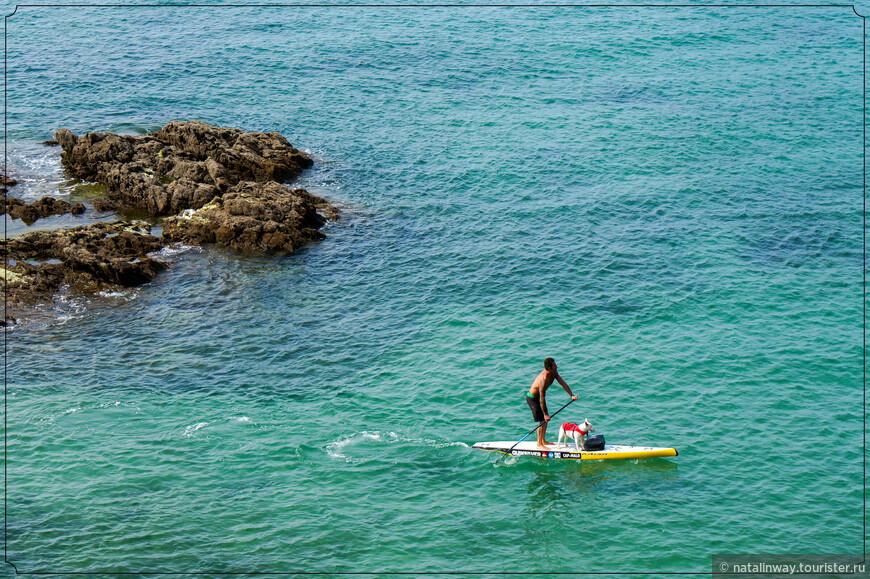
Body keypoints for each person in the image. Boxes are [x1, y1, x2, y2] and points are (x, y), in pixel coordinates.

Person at [526, 357, 577, 449]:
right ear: (549, 368)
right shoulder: (543, 379)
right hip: (533, 398)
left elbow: (563, 383)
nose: (556, 366)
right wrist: (545, 414)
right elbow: (542, 398)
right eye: (554, 365)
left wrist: (571, 395)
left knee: (545, 420)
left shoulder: (554, 373)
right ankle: (539, 444)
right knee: (543, 420)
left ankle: (543, 440)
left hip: (539, 398)